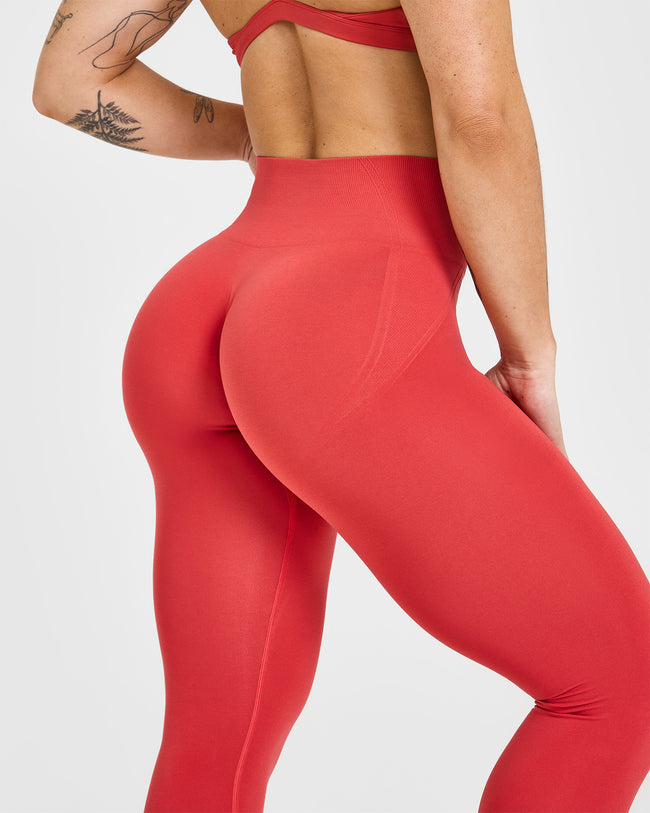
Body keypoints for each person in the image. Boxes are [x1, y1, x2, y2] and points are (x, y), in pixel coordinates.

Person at [32, 1, 649, 811]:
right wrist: (528, 355)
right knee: (619, 686)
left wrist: (260, 138)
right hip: (339, 320)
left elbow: (68, 79)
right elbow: (480, 118)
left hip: (202, 305)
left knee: (217, 735)